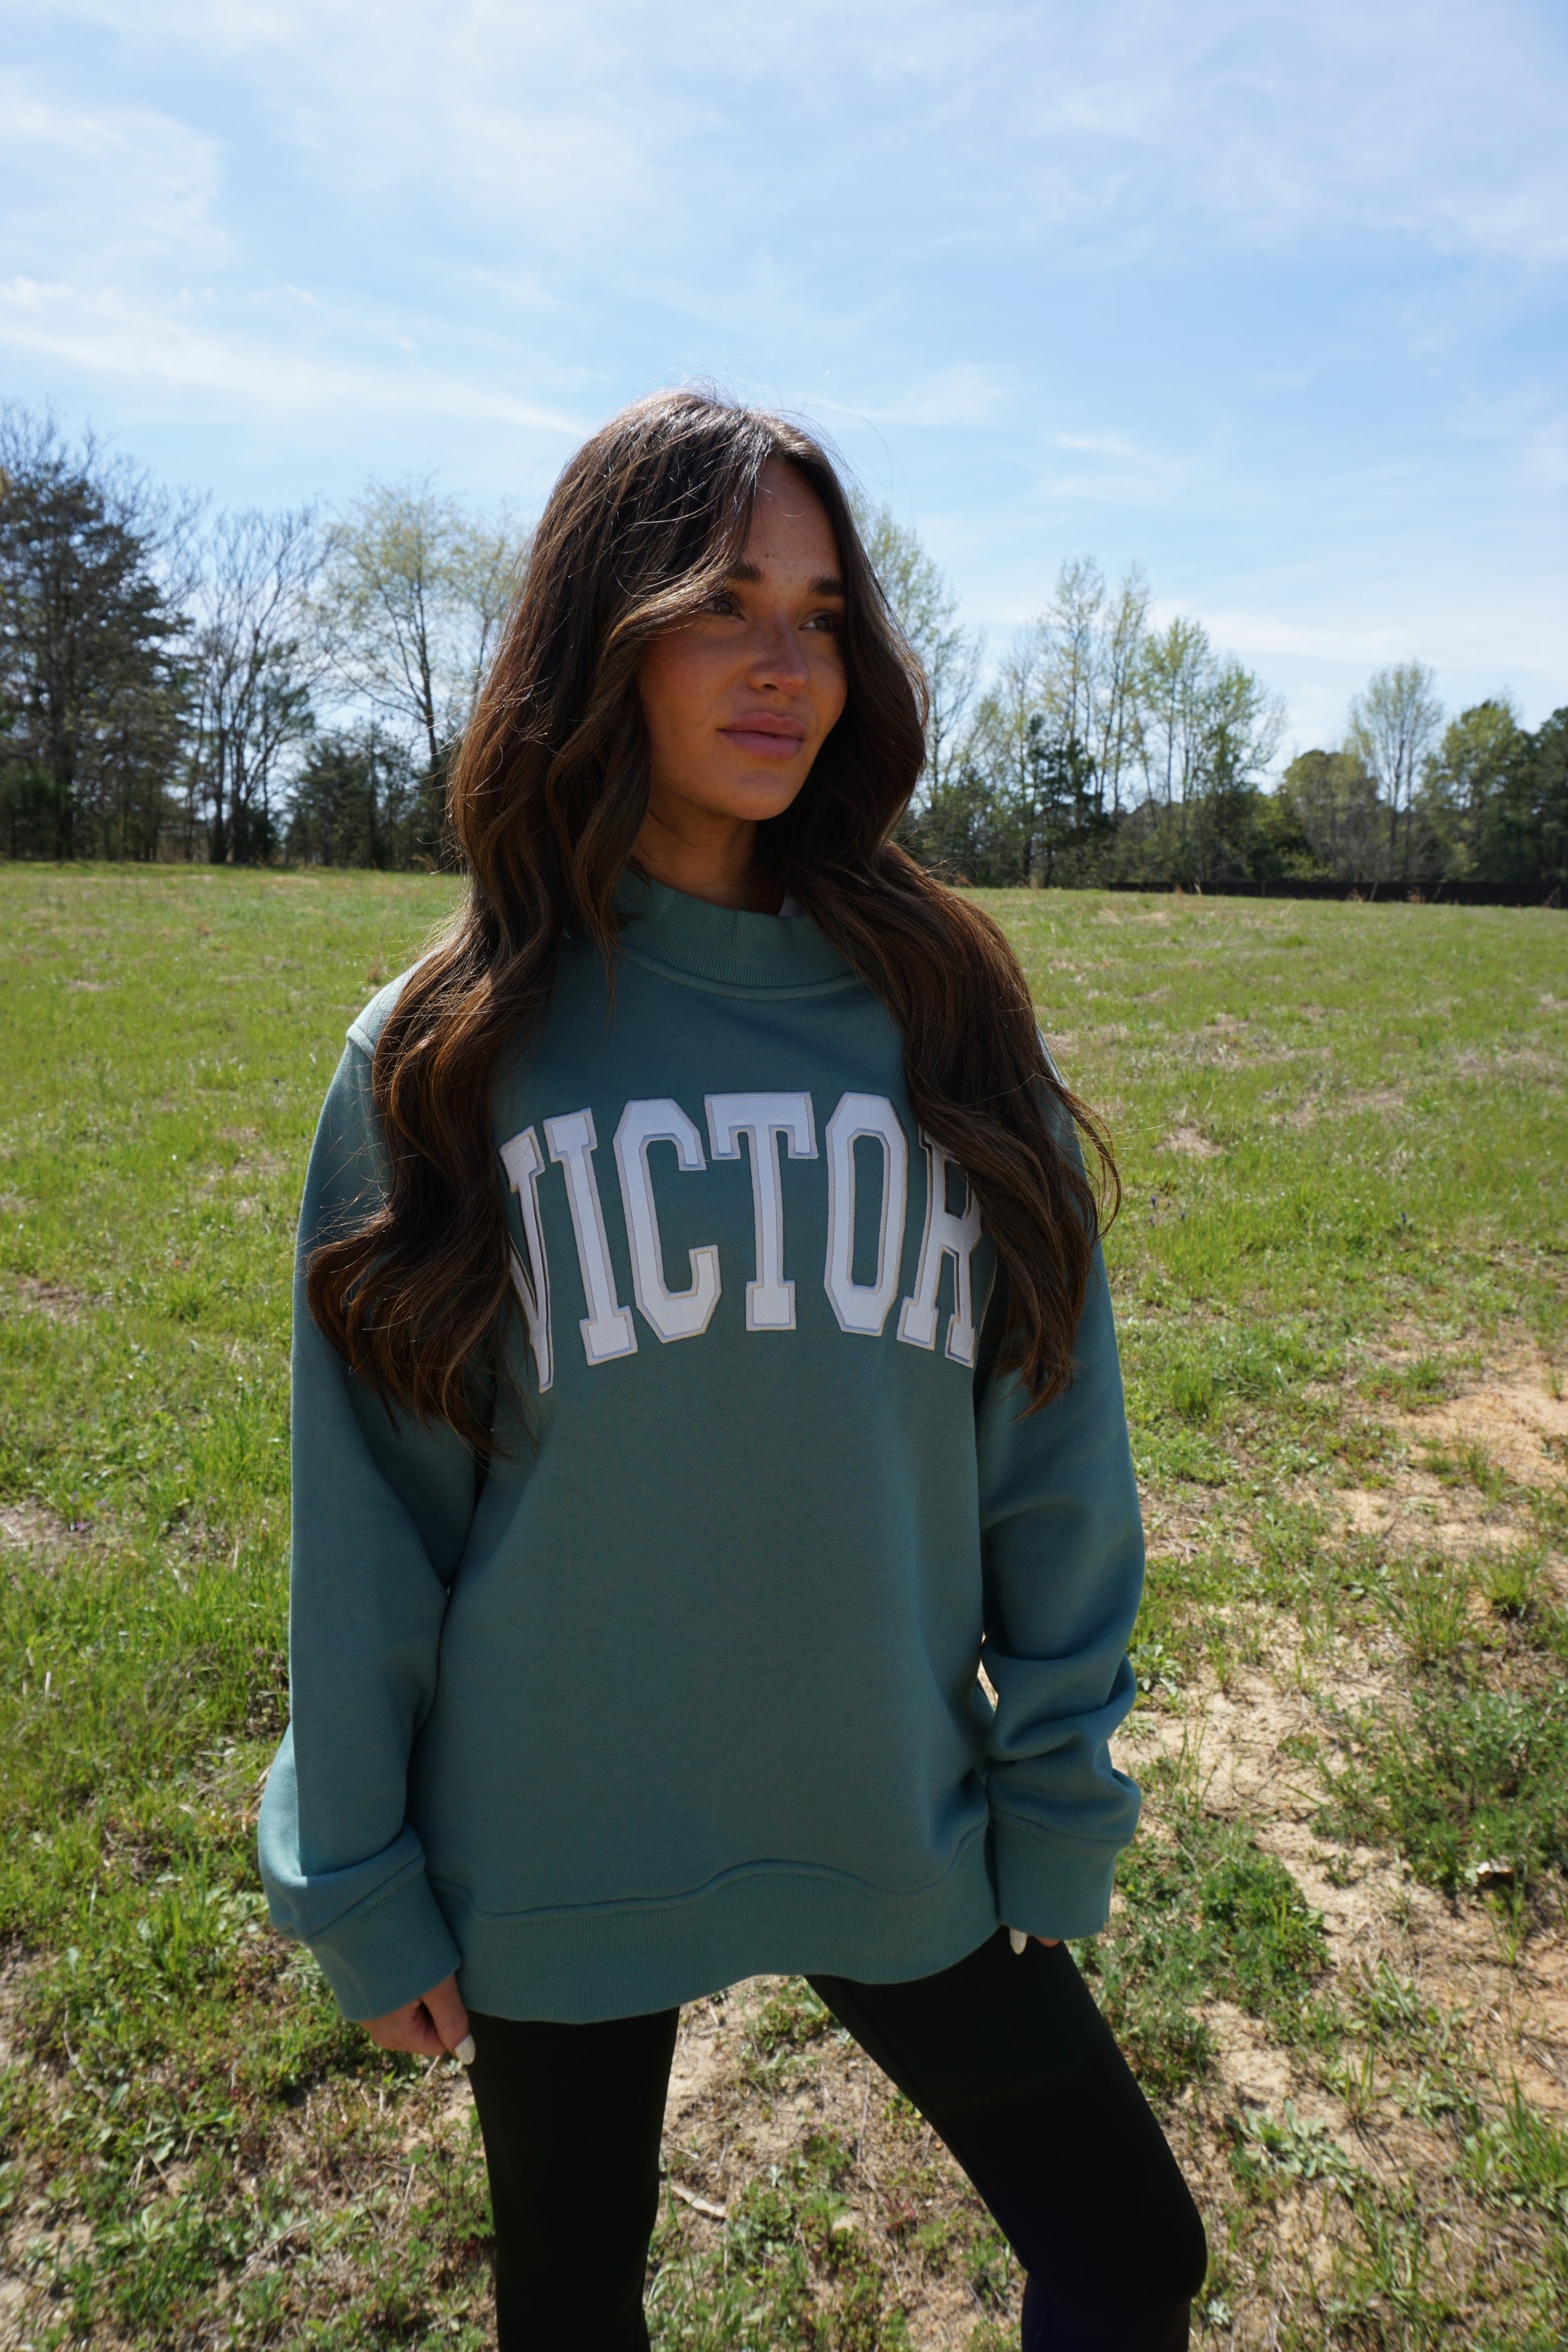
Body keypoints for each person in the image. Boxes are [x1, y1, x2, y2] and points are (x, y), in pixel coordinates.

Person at [257, 390, 1206, 2350]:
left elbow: (1050, 1425)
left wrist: (1055, 1781)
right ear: (598, 633)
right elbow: (369, 1510)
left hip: (891, 1807)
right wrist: (353, 1868)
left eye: (823, 614)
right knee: (573, 2315)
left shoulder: (943, 1009)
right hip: (553, 1841)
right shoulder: (443, 1049)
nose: (788, 664)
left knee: (1129, 2246)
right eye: (722, 603)